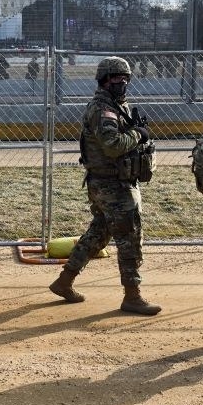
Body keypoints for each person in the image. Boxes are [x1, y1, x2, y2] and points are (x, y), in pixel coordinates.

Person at [48, 56, 160, 316]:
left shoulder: (116, 106)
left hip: (110, 183)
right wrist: (137, 134)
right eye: (117, 78)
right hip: (112, 185)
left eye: (125, 78)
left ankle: (64, 282)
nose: (122, 82)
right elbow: (112, 145)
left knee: (98, 235)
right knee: (130, 239)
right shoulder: (103, 109)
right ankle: (132, 296)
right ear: (105, 79)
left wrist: (134, 128)